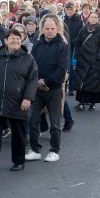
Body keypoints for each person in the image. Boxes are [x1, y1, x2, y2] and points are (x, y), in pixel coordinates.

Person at [0, 29, 38, 173]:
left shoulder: (28, 59)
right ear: (5, 40)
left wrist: (28, 98)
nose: (15, 41)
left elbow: (32, 80)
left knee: (18, 133)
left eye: (18, 38)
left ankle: (19, 161)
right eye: (12, 38)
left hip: (17, 102)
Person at [26, 16, 69, 163]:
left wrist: (46, 81)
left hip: (54, 89)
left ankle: (54, 151)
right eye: (47, 29)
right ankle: (35, 149)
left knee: (55, 123)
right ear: (42, 30)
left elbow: (62, 69)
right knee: (33, 120)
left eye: (52, 29)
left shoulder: (63, 46)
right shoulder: (37, 45)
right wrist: (37, 81)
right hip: (37, 89)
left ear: (57, 29)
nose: (50, 31)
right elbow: (32, 65)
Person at [73, 13, 100, 111]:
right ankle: (81, 103)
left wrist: (98, 58)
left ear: (98, 19)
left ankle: (92, 103)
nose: (93, 19)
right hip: (83, 61)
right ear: (88, 18)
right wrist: (78, 56)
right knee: (82, 82)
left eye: (95, 17)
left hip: (95, 62)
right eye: (92, 17)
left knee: (94, 84)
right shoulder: (83, 30)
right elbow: (78, 43)